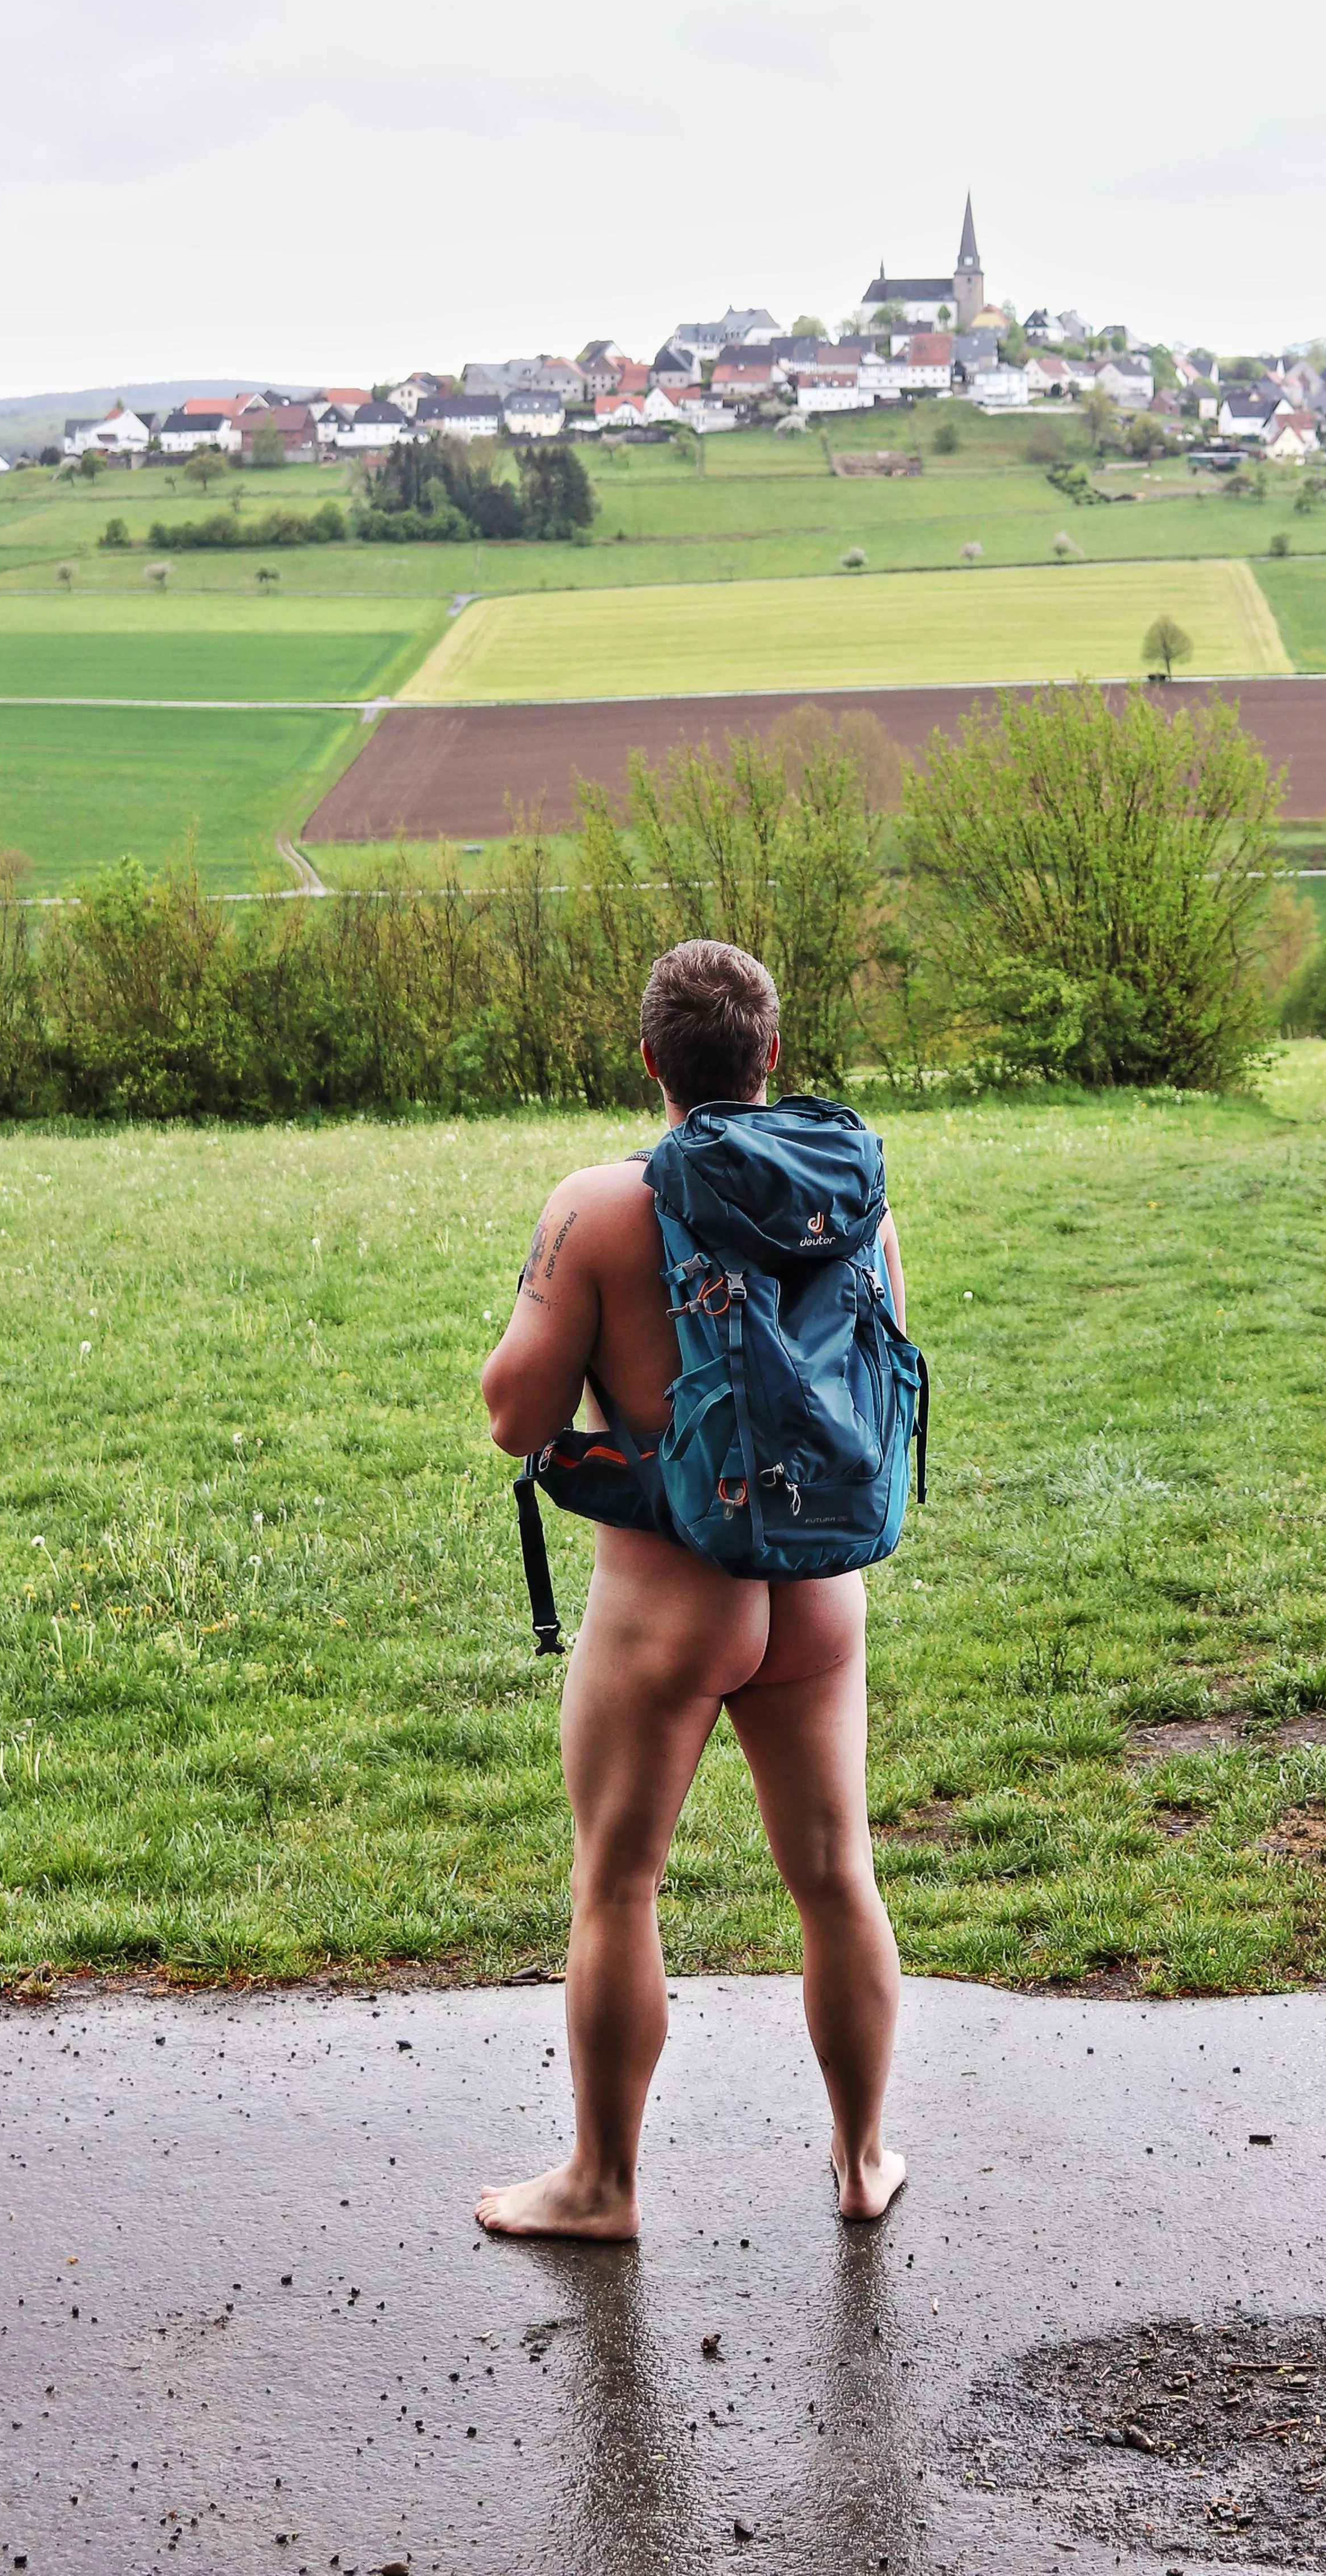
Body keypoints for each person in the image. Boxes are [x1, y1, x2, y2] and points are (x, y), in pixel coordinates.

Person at [473, 937, 907, 2241]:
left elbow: (515, 1413)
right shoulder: (855, 1189)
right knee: (836, 1877)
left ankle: (601, 2185)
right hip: (819, 1592)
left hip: (671, 1594)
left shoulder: (600, 1204)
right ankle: (861, 2160)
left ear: (652, 1059)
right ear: (770, 1053)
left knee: (617, 1883)